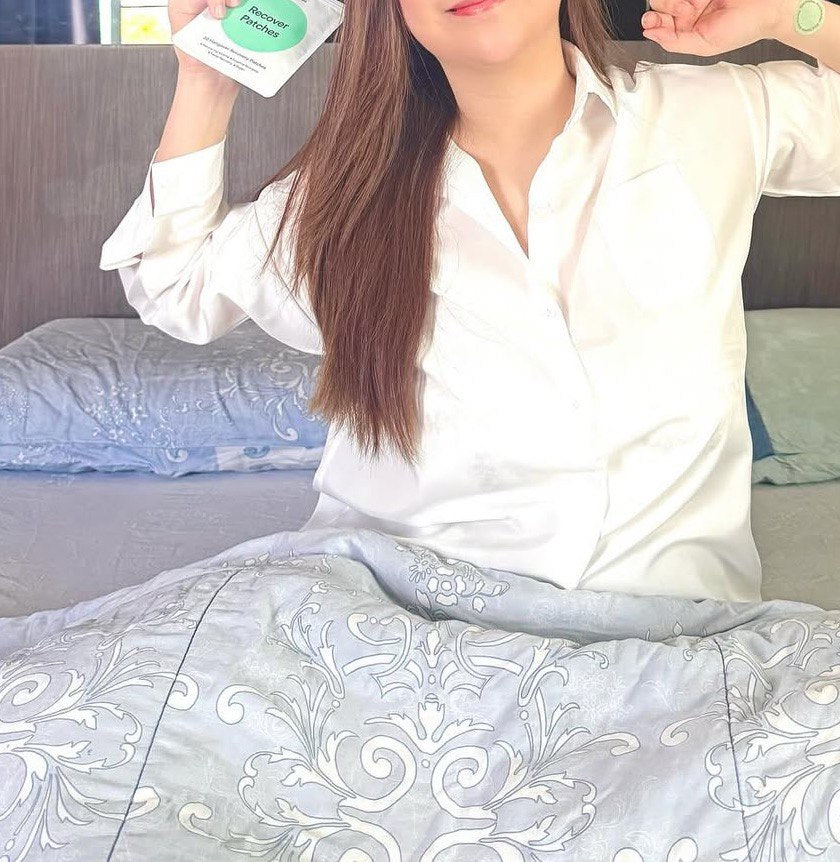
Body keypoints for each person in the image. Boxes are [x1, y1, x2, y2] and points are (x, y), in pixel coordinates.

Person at [100, 0, 840, 603]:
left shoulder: (712, 115)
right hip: (400, 629)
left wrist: (788, 14)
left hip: (673, 627)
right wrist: (206, 80)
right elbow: (175, 283)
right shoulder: (340, 201)